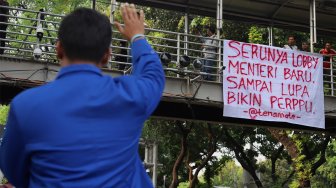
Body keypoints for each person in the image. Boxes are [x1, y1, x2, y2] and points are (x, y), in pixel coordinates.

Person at [0, 4, 165, 188]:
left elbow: (13, 170)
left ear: (59, 49)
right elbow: (153, 76)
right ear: (107, 56)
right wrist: (138, 37)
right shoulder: (130, 96)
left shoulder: (24, 106)